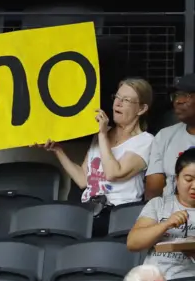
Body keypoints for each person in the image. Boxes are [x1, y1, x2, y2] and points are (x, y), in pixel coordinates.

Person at [35, 78, 153, 211]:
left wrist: (102, 135)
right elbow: (83, 180)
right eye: (117, 97)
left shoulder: (145, 141)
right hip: (90, 208)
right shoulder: (101, 135)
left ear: (141, 109)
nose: (118, 103)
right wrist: (58, 150)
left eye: (126, 100)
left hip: (118, 212)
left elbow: (113, 173)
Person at [128, 148, 195, 279]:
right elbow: (133, 243)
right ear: (176, 179)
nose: (194, 186)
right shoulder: (159, 204)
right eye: (188, 179)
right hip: (155, 280)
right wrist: (166, 224)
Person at [146, 72, 195, 200]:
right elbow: (153, 191)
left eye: (185, 95)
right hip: (169, 214)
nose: (178, 101)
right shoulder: (164, 136)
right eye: (176, 96)